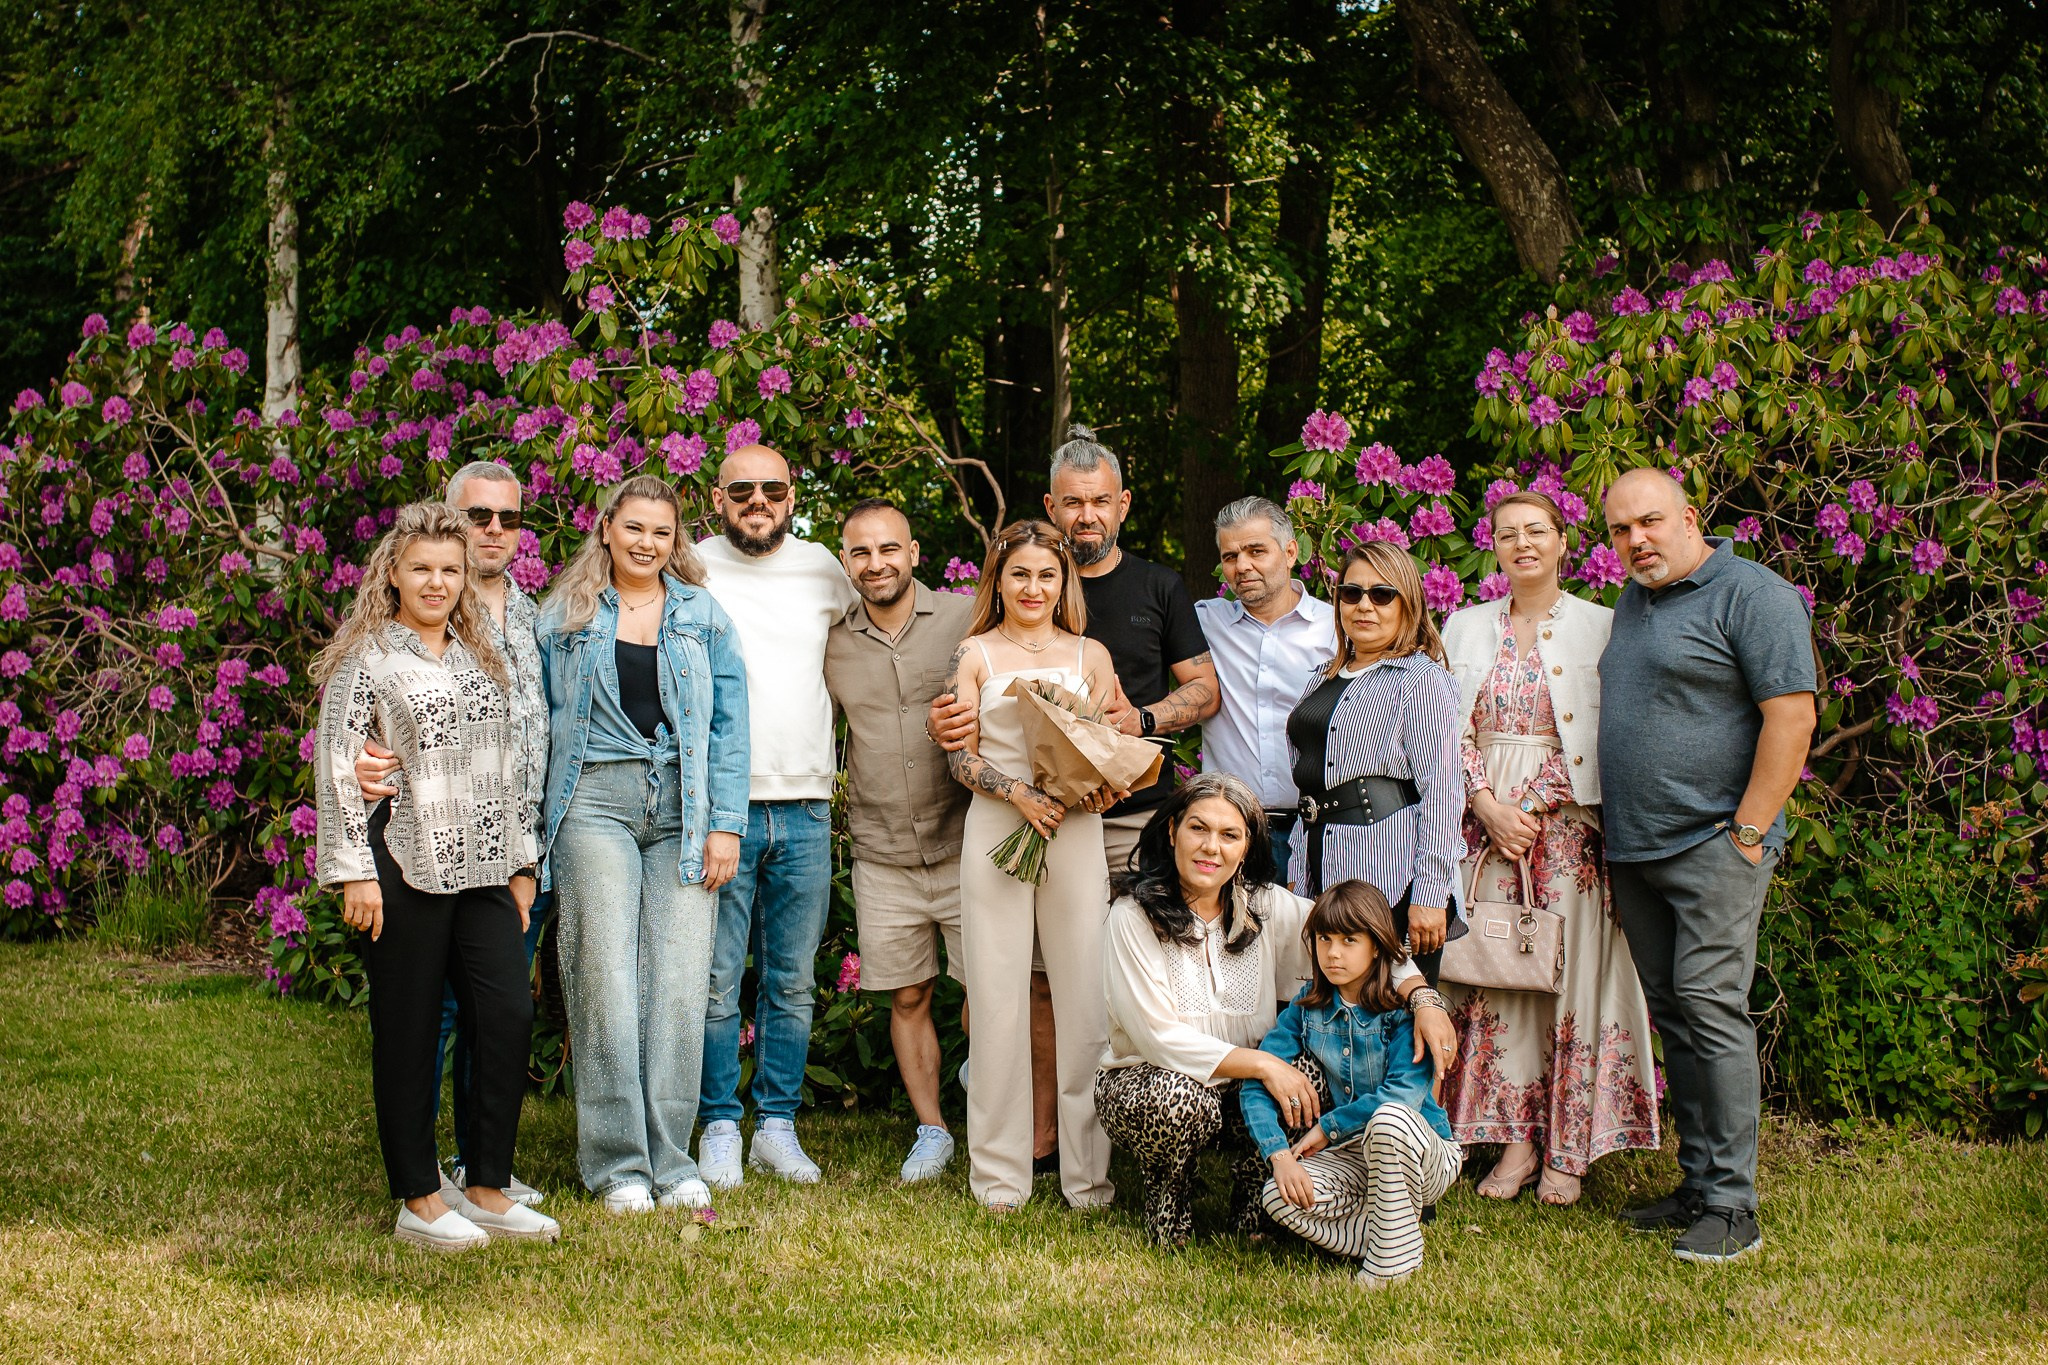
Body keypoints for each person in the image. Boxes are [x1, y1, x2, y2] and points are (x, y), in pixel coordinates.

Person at [312, 502, 558, 1249]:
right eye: (421, 567)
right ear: (392, 571)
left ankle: (485, 1184)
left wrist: (523, 862)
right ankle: (418, 1196)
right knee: (410, 1030)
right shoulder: (368, 660)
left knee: (508, 1013)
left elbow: (505, 764)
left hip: (485, 865)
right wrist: (356, 872)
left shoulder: (476, 656)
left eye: (449, 570)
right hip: (402, 864)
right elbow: (337, 766)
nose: (437, 581)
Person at [1598, 468, 1816, 1264]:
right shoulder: (1634, 602)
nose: (1636, 542)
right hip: (1638, 848)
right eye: (1621, 531)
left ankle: (1734, 1207)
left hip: (1715, 843)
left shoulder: (1752, 595)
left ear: (1691, 517)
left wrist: (1749, 832)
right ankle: (1697, 1183)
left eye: (1650, 523)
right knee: (1677, 1015)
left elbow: (1792, 716)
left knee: (1710, 1005)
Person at [1095, 772, 1450, 1248]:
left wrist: (1424, 999)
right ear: (1171, 830)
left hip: (1243, 1084)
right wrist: (1265, 1063)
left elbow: (1364, 939)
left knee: (1310, 1070)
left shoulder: (1264, 904)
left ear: (1246, 848)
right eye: (1198, 829)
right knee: (1180, 1096)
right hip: (1149, 1079)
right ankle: (1169, 1197)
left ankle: (1255, 1201)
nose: (1211, 848)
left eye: (1230, 835)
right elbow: (1158, 1038)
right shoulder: (1133, 915)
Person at [1438, 491, 1659, 1208]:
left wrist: (1530, 804)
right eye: (1508, 534)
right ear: (1493, 547)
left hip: (1563, 829)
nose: (1522, 543)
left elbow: (1611, 726)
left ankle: (1569, 1143)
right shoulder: (1465, 625)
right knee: (1501, 977)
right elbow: (1448, 727)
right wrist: (1487, 805)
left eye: (1537, 531)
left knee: (1564, 979)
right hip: (1487, 826)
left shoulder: (1602, 624)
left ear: (1564, 541)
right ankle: (1514, 1135)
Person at [537, 476, 750, 1215]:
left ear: (675, 540)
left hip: (685, 812)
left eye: (661, 532)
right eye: (633, 527)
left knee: (680, 983)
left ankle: (672, 1157)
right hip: (594, 800)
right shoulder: (563, 614)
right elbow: (534, 718)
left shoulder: (703, 615)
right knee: (605, 980)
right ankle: (618, 1164)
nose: (646, 542)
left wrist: (726, 823)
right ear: (606, 529)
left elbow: (728, 726)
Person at [931, 426, 1219, 877]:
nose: (1087, 516)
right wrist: (942, 726)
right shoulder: (1022, 590)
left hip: (1133, 819)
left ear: (1122, 505)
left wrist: (1141, 719)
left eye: (1100, 501)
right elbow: (974, 691)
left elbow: (1204, 689)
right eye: (1073, 503)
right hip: (1033, 815)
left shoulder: (1159, 587)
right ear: (1051, 506)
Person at [945, 520, 1123, 1211]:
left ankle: (1089, 1178)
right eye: (1020, 573)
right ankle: (998, 1177)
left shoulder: (1090, 655)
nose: (1033, 587)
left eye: (1046, 575)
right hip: (998, 824)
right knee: (995, 1000)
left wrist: (1095, 785)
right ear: (999, 579)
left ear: (1064, 582)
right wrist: (1016, 792)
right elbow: (960, 755)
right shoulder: (976, 654)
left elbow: (1108, 748)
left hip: (1075, 826)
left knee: (1084, 1002)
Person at [695, 444, 857, 1187]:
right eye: (741, 489)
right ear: (717, 497)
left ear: (791, 497)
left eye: (772, 489)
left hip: (805, 806)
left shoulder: (827, 568)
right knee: (718, 976)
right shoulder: (688, 566)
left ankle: (779, 1126)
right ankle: (721, 1124)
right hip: (720, 807)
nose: (757, 500)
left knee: (791, 979)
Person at [824, 498, 976, 1182]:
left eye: (889, 548)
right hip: (882, 846)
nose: (876, 562)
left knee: (990, 992)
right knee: (908, 995)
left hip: (967, 840)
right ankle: (933, 1129)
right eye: (860, 551)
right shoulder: (829, 637)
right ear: (845, 559)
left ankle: (997, 1106)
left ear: (914, 552)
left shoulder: (967, 617)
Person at [1242, 880, 1463, 1291]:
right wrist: (1279, 1156)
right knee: (1278, 1196)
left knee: (1388, 1119)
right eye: (1324, 939)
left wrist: (1327, 1127)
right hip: (1352, 1158)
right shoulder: (1306, 1008)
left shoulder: (1402, 1014)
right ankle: (1392, 1233)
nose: (1334, 953)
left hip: (1420, 1151)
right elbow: (1258, 1080)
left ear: (1376, 946)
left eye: (1349, 940)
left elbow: (1402, 1097)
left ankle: (1389, 1268)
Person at [1284, 542, 1464, 982]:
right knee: (1330, 1016)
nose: (1364, 605)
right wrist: (1294, 873)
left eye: (1382, 594)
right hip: (1316, 865)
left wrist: (1430, 893)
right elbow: (1309, 784)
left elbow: (1442, 791)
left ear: (1408, 603)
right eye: (1351, 593)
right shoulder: (1319, 678)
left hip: (1390, 872)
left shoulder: (1420, 679)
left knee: (1390, 1017)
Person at [1195, 497, 1335, 850]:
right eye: (1230, 556)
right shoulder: (1204, 623)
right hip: (1231, 830)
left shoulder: (1336, 628)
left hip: (1318, 828)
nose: (1242, 566)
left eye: (1256, 551)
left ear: (1290, 553)